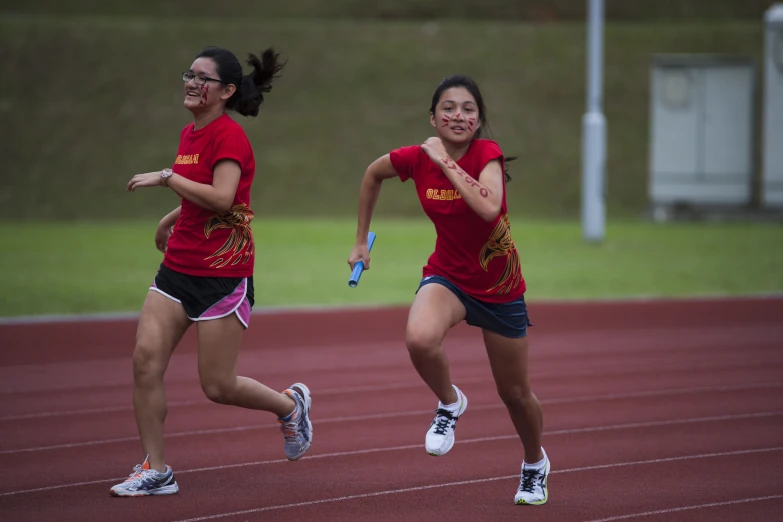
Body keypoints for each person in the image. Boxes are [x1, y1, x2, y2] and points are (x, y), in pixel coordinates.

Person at [111, 46, 312, 497]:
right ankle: (156, 469)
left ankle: (290, 406)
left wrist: (165, 177)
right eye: (189, 74)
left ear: (226, 91)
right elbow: (198, 194)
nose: (192, 82)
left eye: (203, 78)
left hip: (223, 274)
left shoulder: (230, 137)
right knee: (145, 363)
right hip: (177, 269)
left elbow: (222, 198)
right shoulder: (189, 134)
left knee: (218, 386)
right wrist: (171, 218)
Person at [347, 75, 549, 505]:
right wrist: (361, 240)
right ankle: (450, 402)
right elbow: (371, 174)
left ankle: (534, 464)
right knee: (419, 339)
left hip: (499, 288)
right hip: (449, 276)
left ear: (479, 119)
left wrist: (444, 162)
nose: (459, 115)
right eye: (449, 108)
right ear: (433, 116)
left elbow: (489, 206)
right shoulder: (415, 158)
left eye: (468, 109)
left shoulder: (486, 155)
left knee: (514, 394)